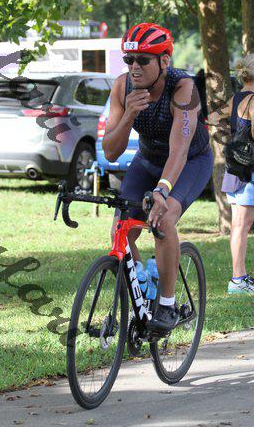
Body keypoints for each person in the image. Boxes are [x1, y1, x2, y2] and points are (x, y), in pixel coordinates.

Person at [102, 23, 213, 332]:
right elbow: (110, 151)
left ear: (164, 61)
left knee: (162, 221)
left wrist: (163, 191)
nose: (134, 67)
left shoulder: (183, 88)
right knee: (121, 230)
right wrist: (128, 115)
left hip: (189, 161)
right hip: (148, 160)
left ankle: (167, 304)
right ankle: (140, 287)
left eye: (143, 60)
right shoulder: (122, 87)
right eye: (129, 59)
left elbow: (180, 149)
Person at [220, 52, 254, 295]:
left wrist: (233, 137)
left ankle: (240, 276)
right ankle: (238, 279)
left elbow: (212, 118)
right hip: (252, 169)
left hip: (234, 168)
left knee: (238, 225)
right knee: (242, 225)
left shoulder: (235, 98)